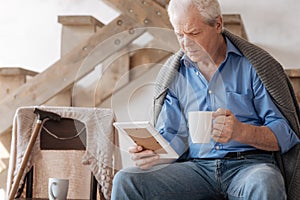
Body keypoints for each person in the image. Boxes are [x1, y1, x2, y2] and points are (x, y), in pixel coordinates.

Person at [111, 0, 300, 199]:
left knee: (265, 181)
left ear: (218, 25)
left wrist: (241, 131)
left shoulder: (253, 66)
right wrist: (154, 155)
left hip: (249, 167)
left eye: (193, 33)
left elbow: (285, 134)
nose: (186, 43)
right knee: (126, 179)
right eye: (179, 35)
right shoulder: (176, 73)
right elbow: (173, 137)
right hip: (197, 170)